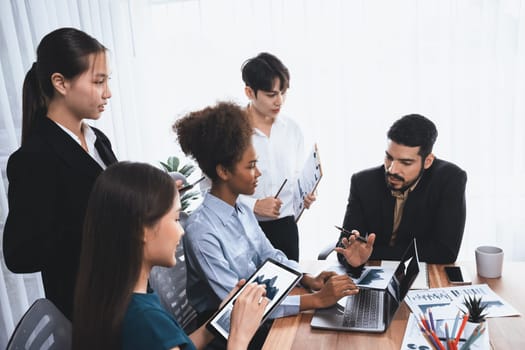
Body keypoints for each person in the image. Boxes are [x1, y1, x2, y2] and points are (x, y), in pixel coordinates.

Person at [174, 102, 370, 349]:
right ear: (223, 171)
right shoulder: (202, 232)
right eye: (251, 166)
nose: (259, 174)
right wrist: (316, 300)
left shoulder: (242, 208)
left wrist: (308, 279)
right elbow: (237, 305)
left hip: (261, 309)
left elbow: (270, 255)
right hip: (227, 331)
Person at [73, 162, 268, 349]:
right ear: (142, 229)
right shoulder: (146, 322)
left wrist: (220, 319)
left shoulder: (123, 301)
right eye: (175, 219)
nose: (181, 231)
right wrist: (239, 339)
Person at [2, 27, 117, 319]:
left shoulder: (97, 139)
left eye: (107, 81)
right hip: (89, 314)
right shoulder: (34, 159)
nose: (108, 93)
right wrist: (98, 221)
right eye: (98, 81)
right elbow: (19, 255)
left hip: (125, 295)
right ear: (61, 83)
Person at [337, 114, 467, 267]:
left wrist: (373, 252)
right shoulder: (363, 182)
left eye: (406, 162)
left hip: (421, 274)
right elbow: (346, 248)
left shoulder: (450, 179)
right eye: (389, 158)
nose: (392, 170)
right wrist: (352, 255)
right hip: (373, 272)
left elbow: (445, 252)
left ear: (428, 161)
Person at [239, 52, 315, 261]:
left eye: (283, 93)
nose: (279, 101)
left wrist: (304, 195)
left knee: (292, 289)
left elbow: (296, 175)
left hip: (287, 229)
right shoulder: (231, 131)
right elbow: (209, 190)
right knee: (252, 292)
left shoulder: (292, 129)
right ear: (249, 92)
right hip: (245, 229)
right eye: (271, 95)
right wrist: (254, 205)